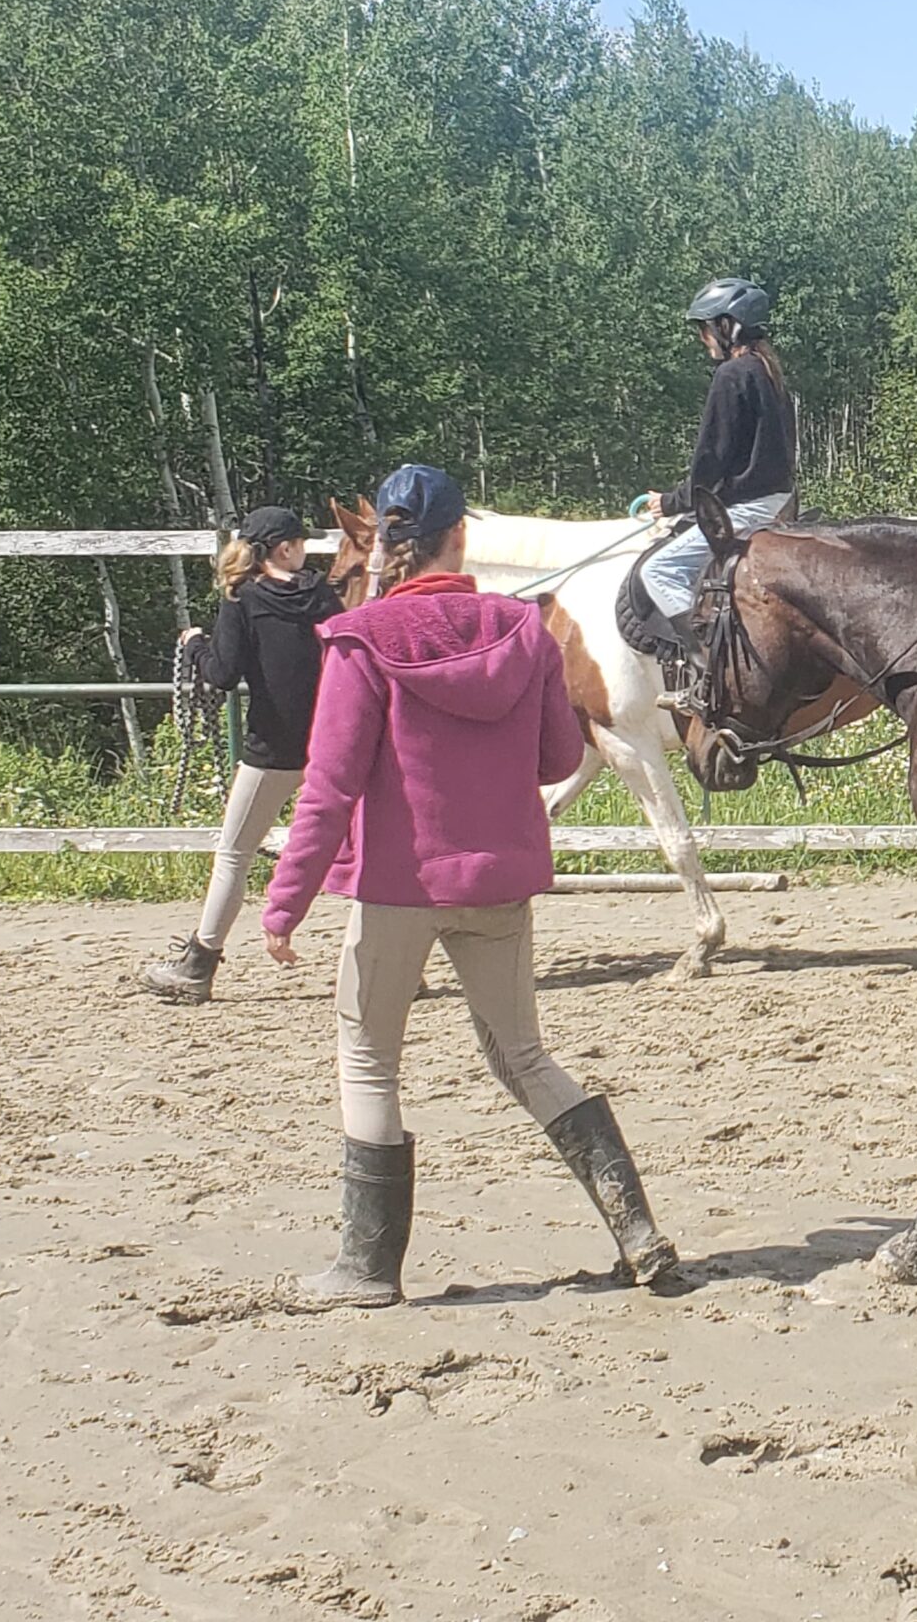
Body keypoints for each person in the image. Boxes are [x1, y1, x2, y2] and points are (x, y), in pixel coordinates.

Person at [260, 464, 678, 1308]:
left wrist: (284, 903)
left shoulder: (359, 640)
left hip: (397, 887)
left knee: (368, 1059)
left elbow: (330, 787)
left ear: (387, 545)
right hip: (496, 884)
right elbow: (558, 758)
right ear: (460, 536)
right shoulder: (524, 630)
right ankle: (636, 1229)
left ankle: (367, 1267)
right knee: (524, 1056)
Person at [139, 506, 342, 1004]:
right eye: (301, 542)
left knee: (234, 854)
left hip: (273, 748)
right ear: (285, 548)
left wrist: (196, 646)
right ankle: (397, 965)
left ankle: (198, 965)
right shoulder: (322, 596)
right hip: (333, 744)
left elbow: (223, 674)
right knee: (363, 852)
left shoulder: (243, 599)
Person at [632, 276, 800, 706]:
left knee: (659, 571)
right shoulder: (769, 372)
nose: (702, 338)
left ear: (728, 326)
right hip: (778, 503)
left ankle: (705, 673)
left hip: (747, 508)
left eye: (705, 327)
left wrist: (670, 502)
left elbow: (711, 459)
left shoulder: (732, 375)